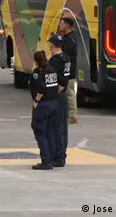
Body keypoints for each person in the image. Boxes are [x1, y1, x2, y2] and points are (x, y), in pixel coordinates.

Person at [29, 50, 60, 170]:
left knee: (40, 132)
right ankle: (51, 158)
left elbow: (41, 89)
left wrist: (36, 101)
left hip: (43, 106)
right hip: (53, 104)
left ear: (36, 61)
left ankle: (46, 160)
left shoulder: (38, 73)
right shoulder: (51, 70)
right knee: (50, 133)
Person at [47, 35, 70, 168]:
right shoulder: (66, 58)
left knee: (56, 127)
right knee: (63, 127)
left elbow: (53, 78)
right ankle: (62, 154)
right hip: (64, 94)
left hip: (57, 95)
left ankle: (58, 156)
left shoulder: (55, 61)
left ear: (53, 45)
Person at [57, 17, 80, 124]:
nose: (60, 25)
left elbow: (67, 56)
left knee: (69, 93)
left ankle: (72, 115)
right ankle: (66, 114)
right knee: (65, 93)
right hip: (66, 71)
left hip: (68, 71)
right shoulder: (67, 38)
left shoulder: (70, 40)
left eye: (61, 24)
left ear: (67, 25)